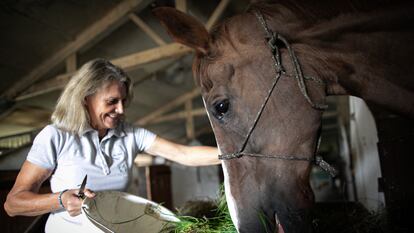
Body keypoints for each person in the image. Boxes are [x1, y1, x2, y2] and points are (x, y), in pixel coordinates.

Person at [3, 58, 220, 232]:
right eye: (112, 102)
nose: (121, 110)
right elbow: (13, 204)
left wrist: (235, 153)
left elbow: (183, 154)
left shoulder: (131, 134)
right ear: (86, 98)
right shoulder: (56, 136)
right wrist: (60, 199)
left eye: (123, 101)